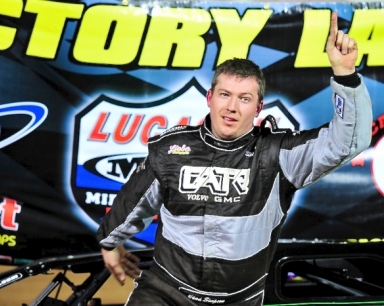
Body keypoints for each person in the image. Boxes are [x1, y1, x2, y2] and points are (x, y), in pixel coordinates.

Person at [95, 11, 372, 306]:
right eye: (225, 95)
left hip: (240, 298)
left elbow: (349, 142)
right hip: (166, 292)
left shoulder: (279, 153)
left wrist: (345, 74)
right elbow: (135, 199)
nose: (231, 107)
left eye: (244, 98)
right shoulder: (171, 149)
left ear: (258, 107)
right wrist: (109, 242)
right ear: (209, 97)